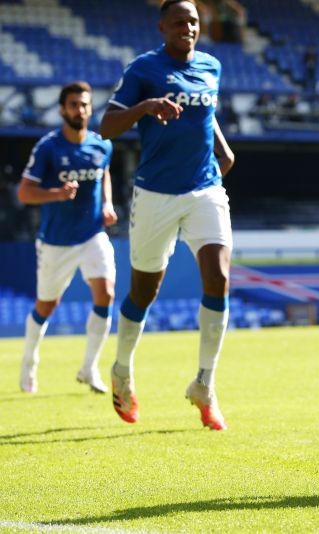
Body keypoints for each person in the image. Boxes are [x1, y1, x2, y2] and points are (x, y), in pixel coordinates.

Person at [100, 0, 235, 430]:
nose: (187, 27)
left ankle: (205, 385)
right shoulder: (143, 69)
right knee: (143, 291)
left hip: (205, 189)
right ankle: (121, 370)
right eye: (179, 21)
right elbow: (106, 126)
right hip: (155, 194)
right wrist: (144, 107)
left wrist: (221, 146)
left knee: (219, 278)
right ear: (162, 26)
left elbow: (204, 112)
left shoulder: (211, 66)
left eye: (193, 21)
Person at [18, 81, 117, 394]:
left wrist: (108, 204)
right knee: (47, 306)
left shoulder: (102, 145)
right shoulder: (48, 147)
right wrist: (57, 194)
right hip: (56, 242)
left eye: (85, 104)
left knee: (106, 293)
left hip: (92, 234)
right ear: (62, 109)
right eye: (74, 104)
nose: (80, 110)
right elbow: (24, 193)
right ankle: (29, 361)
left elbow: (105, 174)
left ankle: (89, 368)